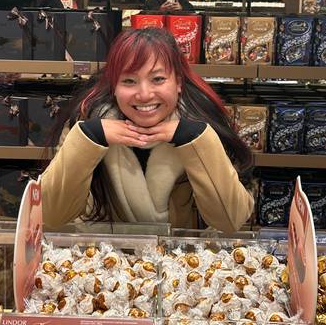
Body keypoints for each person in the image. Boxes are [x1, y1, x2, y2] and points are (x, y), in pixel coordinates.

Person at [41, 26, 254, 232]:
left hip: (178, 263)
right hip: (101, 260)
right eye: (129, 81)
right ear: (114, 86)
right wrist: (89, 138)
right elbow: (51, 216)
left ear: (178, 82)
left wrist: (197, 140)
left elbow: (231, 220)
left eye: (158, 79)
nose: (144, 94)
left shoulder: (202, 123)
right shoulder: (87, 120)